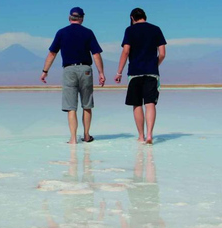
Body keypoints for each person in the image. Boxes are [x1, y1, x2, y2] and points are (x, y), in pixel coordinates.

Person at [41, 7, 106, 144]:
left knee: (71, 106)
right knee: (86, 104)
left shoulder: (61, 33)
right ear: (82, 18)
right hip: (86, 70)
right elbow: (96, 54)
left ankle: (73, 139)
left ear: (69, 18)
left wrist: (45, 71)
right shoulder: (88, 32)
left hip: (69, 70)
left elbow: (52, 53)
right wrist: (101, 73)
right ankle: (87, 136)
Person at [114, 8, 166, 144]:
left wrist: (119, 72)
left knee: (137, 104)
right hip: (152, 72)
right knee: (150, 104)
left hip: (135, 72)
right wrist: (155, 64)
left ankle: (141, 136)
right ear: (145, 16)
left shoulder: (129, 30)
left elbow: (125, 52)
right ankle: (150, 135)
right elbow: (162, 53)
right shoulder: (156, 29)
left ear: (132, 18)